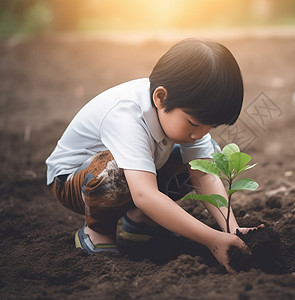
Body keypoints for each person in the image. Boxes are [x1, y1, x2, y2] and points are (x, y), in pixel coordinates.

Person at [46, 38, 258, 273]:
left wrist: (231, 229)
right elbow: (144, 193)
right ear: (160, 98)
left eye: (210, 128)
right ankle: (97, 232)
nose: (200, 134)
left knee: (206, 159)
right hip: (73, 181)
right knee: (115, 174)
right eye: (194, 124)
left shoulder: (184, 113)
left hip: (132, 176)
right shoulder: (127, 115)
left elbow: (204, 176)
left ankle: (140, 221)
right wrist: (211, 239)